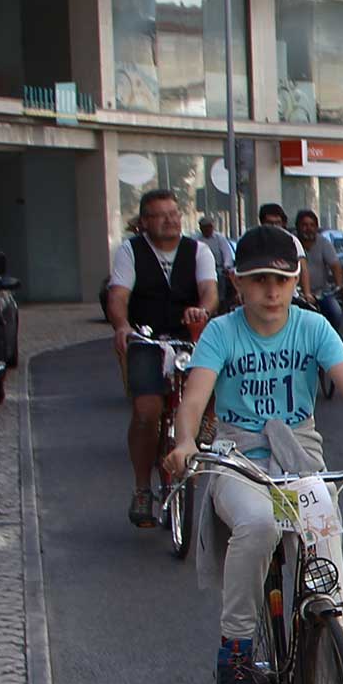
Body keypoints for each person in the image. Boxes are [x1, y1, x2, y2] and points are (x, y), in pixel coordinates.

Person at [159, 225, 343, 684]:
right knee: (259, 522)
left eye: (282, 280)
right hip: (238, 456)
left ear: (295, 280)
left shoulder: (312, 328)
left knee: (333, 601)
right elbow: (195, 398)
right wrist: (184, 442)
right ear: (237, 282)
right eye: (259, 279)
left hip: (300, 461)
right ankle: (236, 649)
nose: (271, 291)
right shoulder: (222, 333)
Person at [107, 188, 219, 527]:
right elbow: (118, 296)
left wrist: (203, 310)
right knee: (147, 410)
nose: (170, 220)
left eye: (174, 213)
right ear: (144, 223)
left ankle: (205, 425)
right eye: (161, 215)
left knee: (213, 387)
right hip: (147, 338)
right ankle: (142, 488)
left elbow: (210, 291)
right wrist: (123, 326)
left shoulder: (197, 250)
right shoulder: (130, 251)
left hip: (190, 336)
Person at [294, 209, 343, 331]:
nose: (308, 229)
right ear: (297, 227)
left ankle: (330, 342)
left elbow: (335, 265)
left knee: (335, 311)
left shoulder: (324, 243)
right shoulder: (292, 243)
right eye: (304, 225)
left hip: (321, 293)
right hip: (297, 294)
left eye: (312, 225)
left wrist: (340, 285)